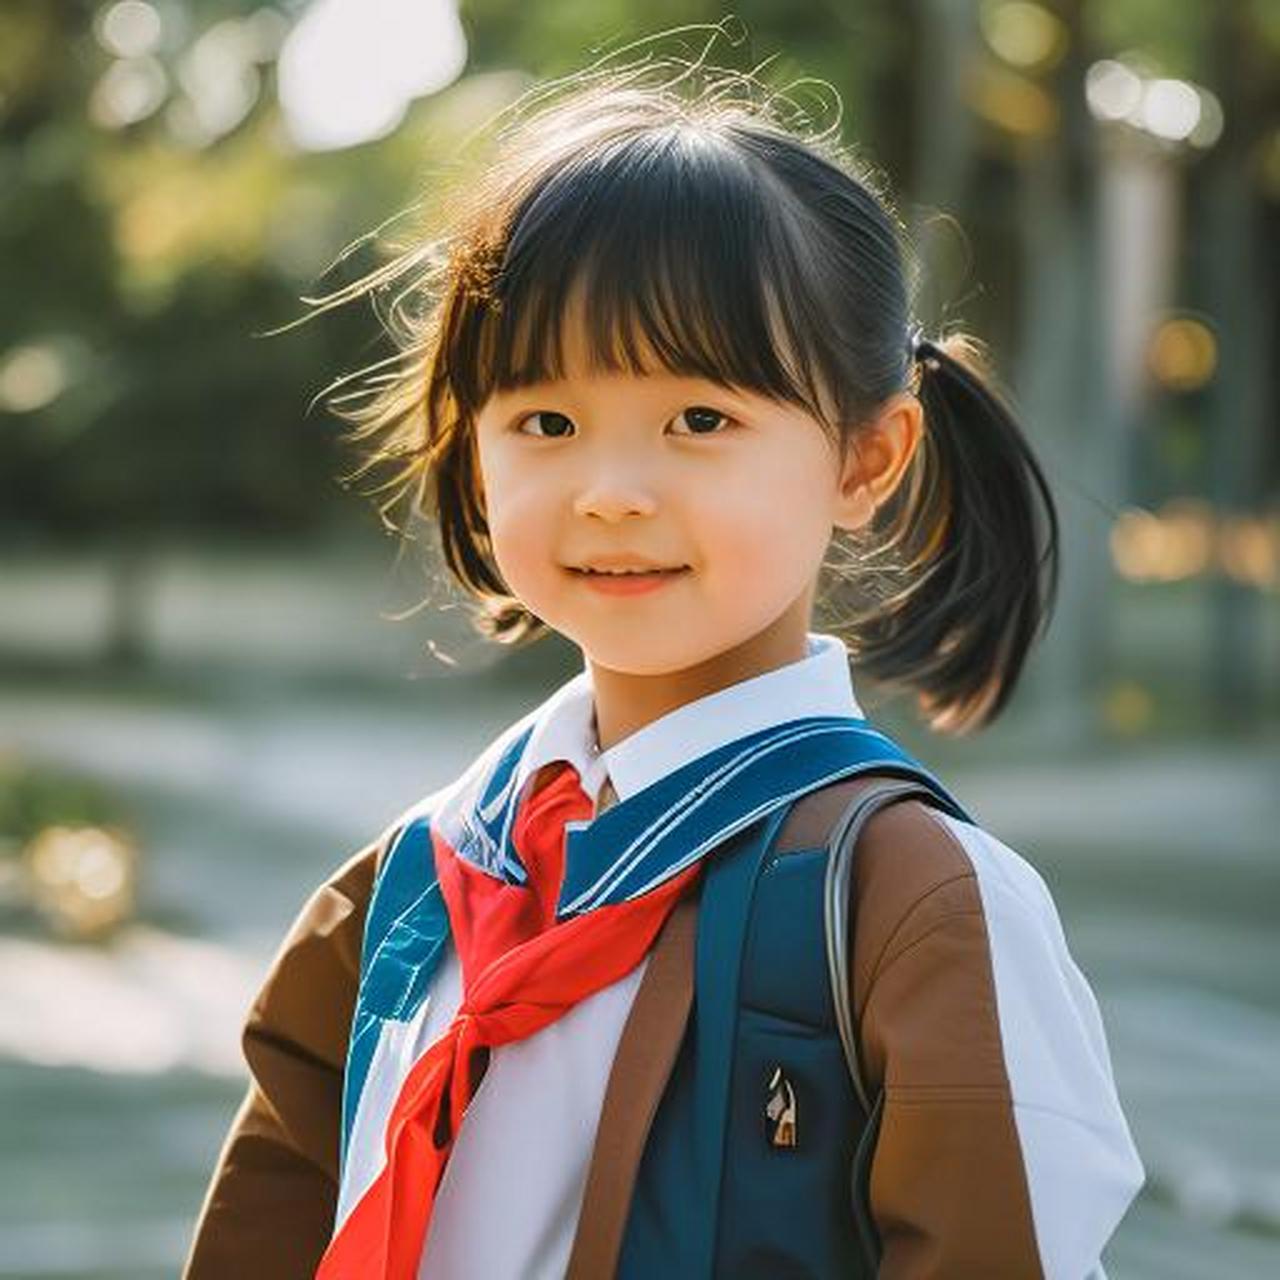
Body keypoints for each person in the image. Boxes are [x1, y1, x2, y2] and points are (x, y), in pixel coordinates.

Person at [183, 33, 1145, 1280]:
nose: (610, 492)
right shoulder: (421, 876)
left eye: (699, 419)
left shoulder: (910, 905)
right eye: (545, 419)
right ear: (470, 444)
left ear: (866, 457)